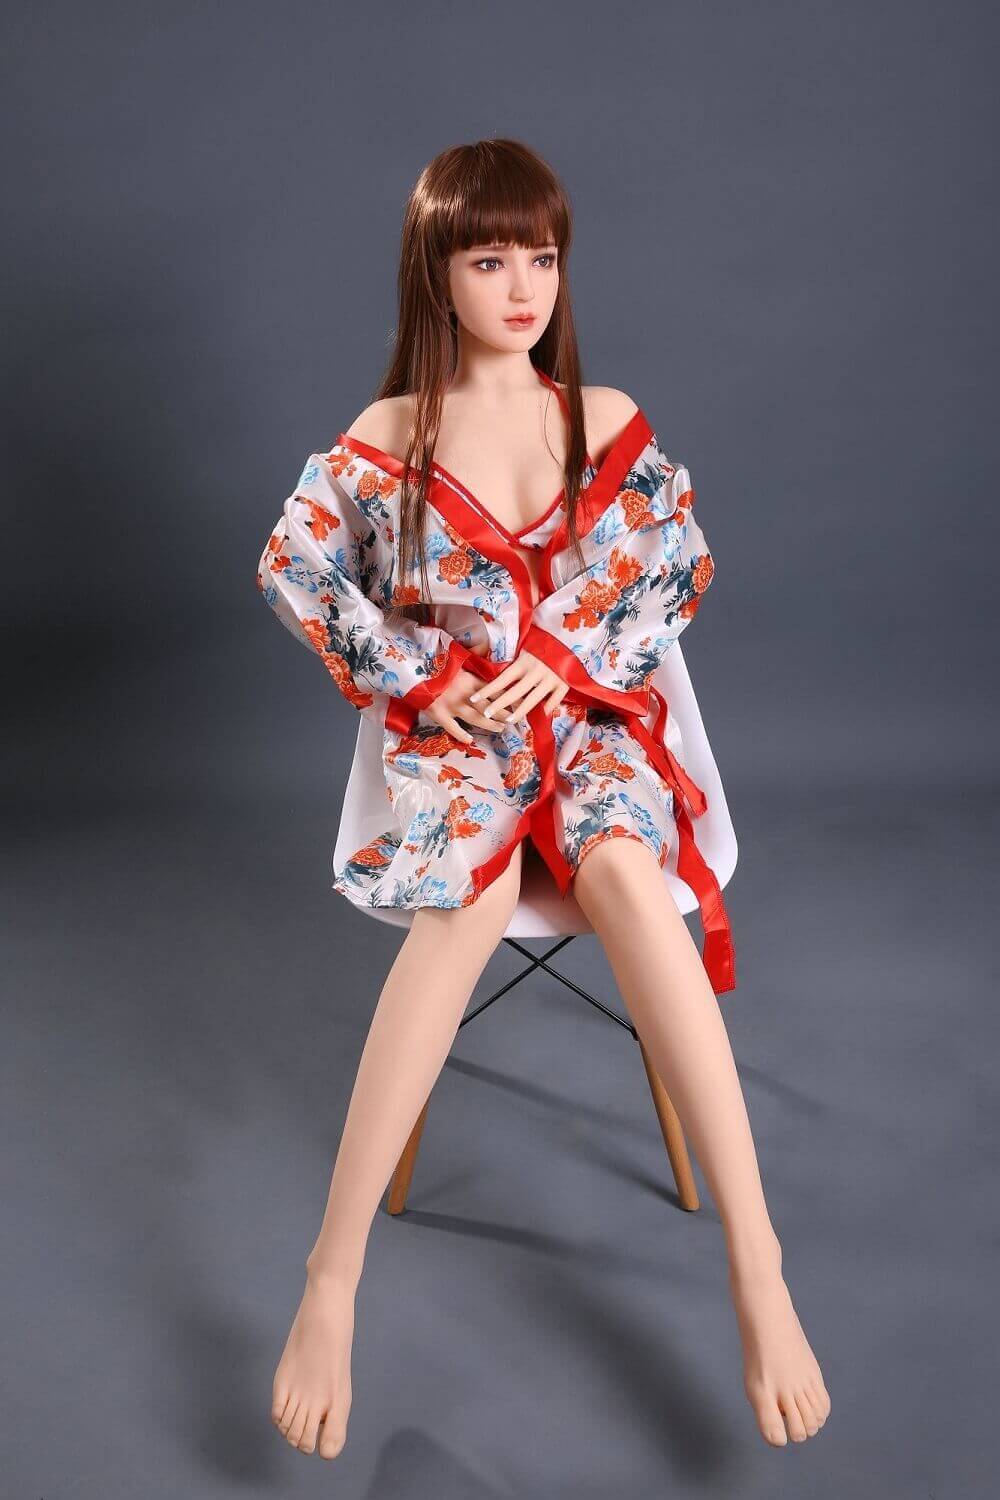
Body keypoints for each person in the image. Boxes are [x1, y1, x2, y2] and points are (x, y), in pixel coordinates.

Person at [256, 138, 830, 1459]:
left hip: (598, 726)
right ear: (436, 270)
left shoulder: (600, 414)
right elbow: (295, 568)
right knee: (463, 903)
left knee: (624, 868)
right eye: (489, 259)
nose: (523, 288)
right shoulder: (389, 438)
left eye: (543, 258)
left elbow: (674, 563)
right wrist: (423, 676)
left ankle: (758, 1264)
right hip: (466, 746)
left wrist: (564, 657)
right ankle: (331, 1279)